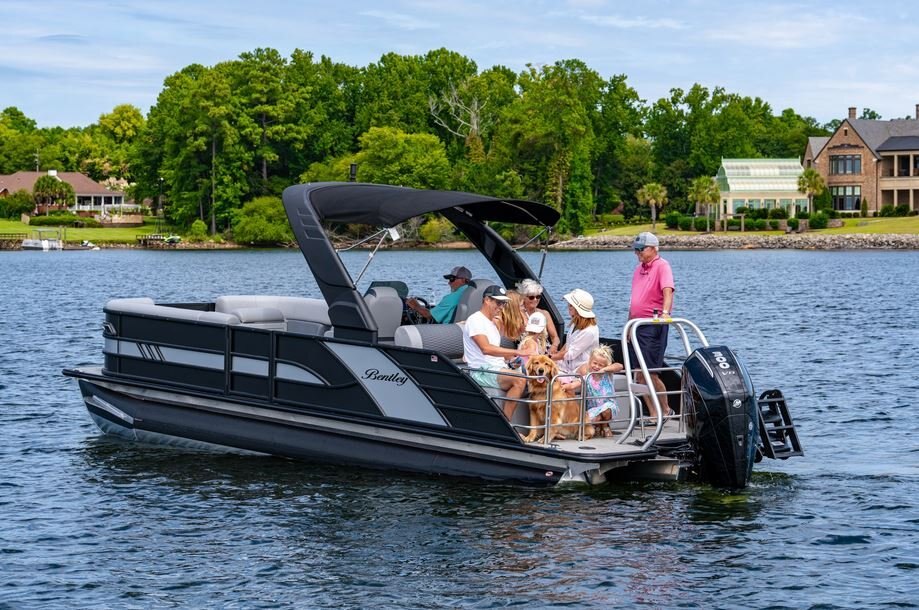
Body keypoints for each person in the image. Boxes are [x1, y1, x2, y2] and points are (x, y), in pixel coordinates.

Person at [462, 285, 533, 419]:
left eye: (503, 303)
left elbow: (522, 329)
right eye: (498, 302)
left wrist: (511, 360)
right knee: (519, 379)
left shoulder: (492, 323)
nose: (501, 307)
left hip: (496, 368)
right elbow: (486, 349)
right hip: (481, 371)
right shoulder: (475, 320)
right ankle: (507, 423)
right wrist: (518, 352)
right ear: (487, 300)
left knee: (538, 378)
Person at [628, 231, 675, 419]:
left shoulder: (662, 266)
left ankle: (666, 410)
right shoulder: (638, 269)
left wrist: (665, 313)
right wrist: (629, 325)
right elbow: (634, 301)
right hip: (637, 326)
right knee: (639, 374)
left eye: (641, 249)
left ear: (654, 249)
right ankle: (654, 414)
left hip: (652, 325)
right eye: (636, 249)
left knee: (651, 373)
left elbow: (668, 291)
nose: (637, 253)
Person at [562, 345, 623, 437]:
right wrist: (563, 387)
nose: (597, 366)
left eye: (600, 365)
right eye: (595, 363)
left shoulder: (607, 374)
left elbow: (619, 366)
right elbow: (573, 385)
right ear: (590, 362)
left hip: (609, 406)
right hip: (594, 409)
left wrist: (604, 369)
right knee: (588, 419)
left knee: (606, 410)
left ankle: (605, 426)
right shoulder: (587, 377)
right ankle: (599, 426)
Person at [551, 289, 599, 375]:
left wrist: (550, 357)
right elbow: (568, 344)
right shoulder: (575, 323)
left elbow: (570, 354)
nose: (568, 307)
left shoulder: (589, 331)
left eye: (570, 305)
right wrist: (555, 356)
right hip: (567, 366)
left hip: (579, 370)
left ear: (577, 309)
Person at [406, 265, 471, 323]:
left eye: (452, 279)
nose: (449, 283)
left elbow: (428, 315)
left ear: (463, 280)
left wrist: (415, 305)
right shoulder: (471, 295)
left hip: (446, 330)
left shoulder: (452, 297)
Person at [517, 279, 561, 353]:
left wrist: (554, 346)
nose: (535, 300)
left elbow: (555, 337)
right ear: (524, 297)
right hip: (525, 350)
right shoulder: (518, 314)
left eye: (538, 297)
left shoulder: (545, 314)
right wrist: (521, 311)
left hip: (544, 350)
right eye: (531, 297)